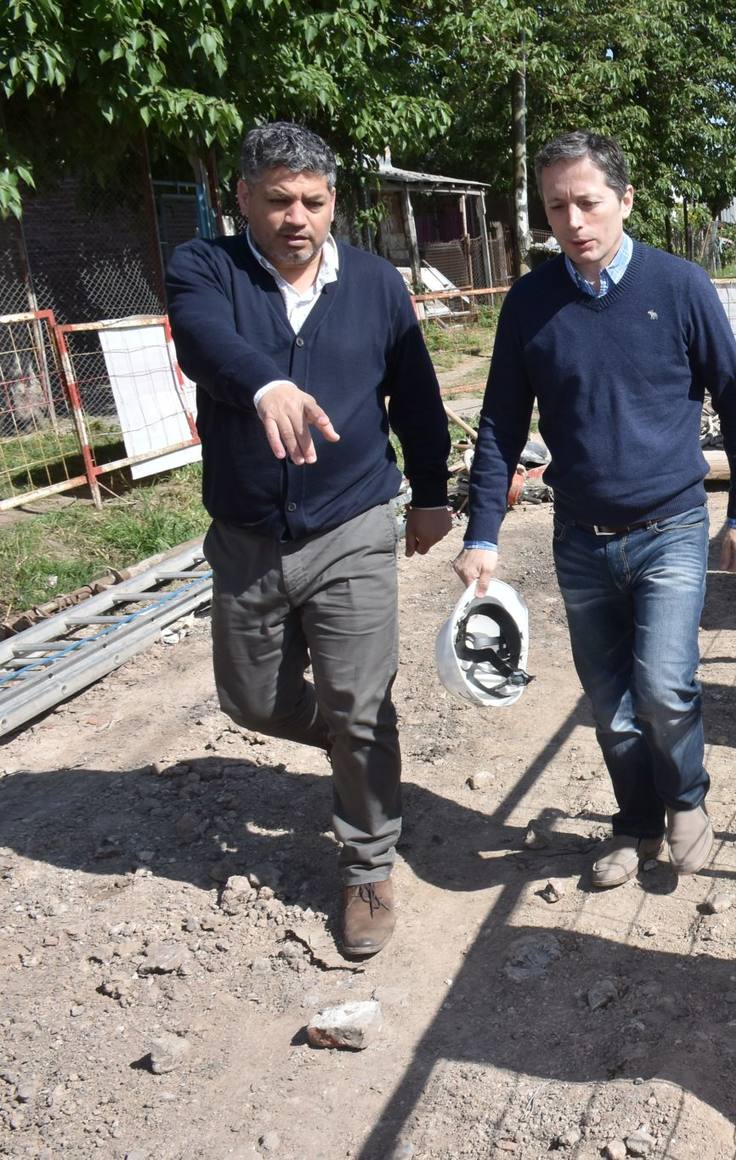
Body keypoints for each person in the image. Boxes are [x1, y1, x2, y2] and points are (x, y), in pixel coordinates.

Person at [165, 122, 452, 957]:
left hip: (352, 522)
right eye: (279, 200)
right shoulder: (206, 267)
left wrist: (431, 495)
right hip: (248, 531)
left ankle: (367, 863)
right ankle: (364, 742)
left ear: (334, 203)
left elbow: (417, 394)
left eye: (314, 201)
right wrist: (266, 383)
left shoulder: (372, 282)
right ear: (244, 200)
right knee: (250, 702)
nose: (298, 217)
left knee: (360, 706)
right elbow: (201, 341)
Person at [453, 131, 736, 891]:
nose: (573, 220)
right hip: (580, 537)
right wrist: (483, 530)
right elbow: (500, 423)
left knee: (662, 685)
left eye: (587, 202)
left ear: (624, 200)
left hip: (670, 526)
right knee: (610, 704)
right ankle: (634, 825)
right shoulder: (531, 302)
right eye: (556, 205)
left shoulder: (678, 286)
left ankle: (686, 798)